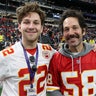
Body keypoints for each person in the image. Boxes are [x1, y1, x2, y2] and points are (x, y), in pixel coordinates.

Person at [0, 2, 56, 96]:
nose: (31, 26)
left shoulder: (49, 51)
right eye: (26, 22)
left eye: (36, 23)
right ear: (19, 26)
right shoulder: (4, 56)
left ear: (42, 28)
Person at [47, 9, 96, 96]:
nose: (71, 33)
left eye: (75, 27)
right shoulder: (55, 58)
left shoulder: (94, 53)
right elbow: (52, 88)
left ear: (83, 31)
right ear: (62, 34)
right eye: (66, 29)